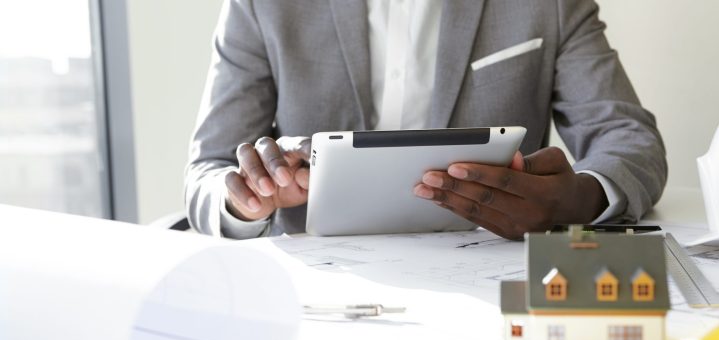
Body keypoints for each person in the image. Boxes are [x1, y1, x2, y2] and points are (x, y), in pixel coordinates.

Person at [185, 0, 667, 240]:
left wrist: (580, 198)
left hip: (487, 280)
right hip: (318, 291)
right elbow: (209, 168)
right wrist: (247, 201)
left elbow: (628, 137)